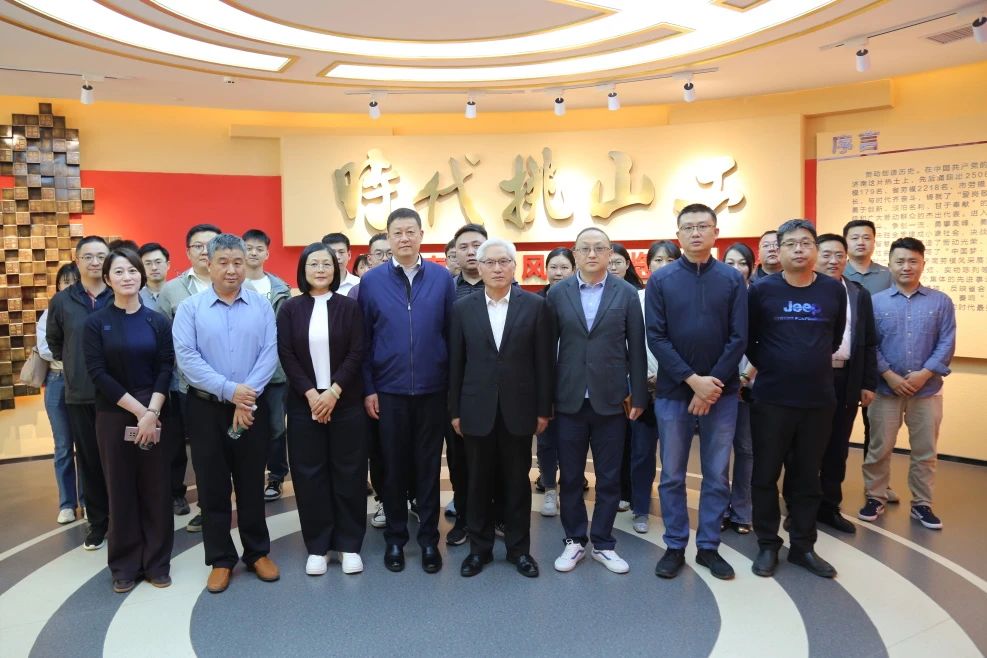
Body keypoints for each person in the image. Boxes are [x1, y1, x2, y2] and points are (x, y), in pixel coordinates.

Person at [172, 233, 280, 593]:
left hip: (251, 407)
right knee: (212, 486)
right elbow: (187, 359)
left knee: (251, 482)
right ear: (208, 263)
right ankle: (220, 559)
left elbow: (269, 352)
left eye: (238, 262)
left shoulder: (261, 306)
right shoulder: (190, 309)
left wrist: (244, 399)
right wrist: (230, 391)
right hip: (206, 408)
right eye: (224, 262)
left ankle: (257, 552)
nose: (232, 269)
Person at [647, 204, 747, 580]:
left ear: (715, 232)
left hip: (722, 394)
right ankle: (675, 545)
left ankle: (708, 547)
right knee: (672, 474)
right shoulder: (662, 280)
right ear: (678, 235)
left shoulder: (732, 279)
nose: (695, 233)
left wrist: (710, 386)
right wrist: (693, 381)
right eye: (687, 227)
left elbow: (739, 337)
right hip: (673, 392)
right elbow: (656, 337)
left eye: (702, 226)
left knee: (717, 474)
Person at [359, 208, 455, 574]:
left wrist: (450, 387)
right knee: (393, 468)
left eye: (410, 231)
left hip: (433, 390)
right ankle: (396, 540)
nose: (404, 238)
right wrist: (369, 388)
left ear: (421, 235)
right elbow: (364, 341)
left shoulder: (442, 278)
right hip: (389, 391)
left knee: (429, 468)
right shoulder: (372, 282)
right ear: (388, 237)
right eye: (397, 232)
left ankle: (429, 540)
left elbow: (451, 335)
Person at [747, 219, 846, 579]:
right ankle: (767, 543)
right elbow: (749, 340)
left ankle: (803, 546)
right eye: (790, 244)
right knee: (765, 474)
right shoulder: (761, 290)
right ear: (779, 250)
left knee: (807, 477)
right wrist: (777, 365)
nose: (799, 249)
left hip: (818, 400)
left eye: (806, 243)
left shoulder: (833, 290)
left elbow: (835, 338)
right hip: (772, 399)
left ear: (815, 249)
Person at [449, 238, 553, 578]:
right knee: (477, 483)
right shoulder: (462, 308)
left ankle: (519, 550)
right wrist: (454, 411)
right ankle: (478, 550)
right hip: (476, 409)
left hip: (519, 410)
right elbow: (456, 364)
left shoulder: (535, 306)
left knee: (517, 483)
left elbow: (543, 363)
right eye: (490, 262)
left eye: (504, 261)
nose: (497, 268)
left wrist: (543, 409)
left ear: (514, 266)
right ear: (478, 267)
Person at [547, 227, 647, 575]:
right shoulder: (557, 293)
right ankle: (574, 540)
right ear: (575, 254)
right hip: (568, 399)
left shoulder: (626, 293)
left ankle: (603, 542)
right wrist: (545, 399)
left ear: (609, 254)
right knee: (571, 475)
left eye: (599, 248)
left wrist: (638, 394)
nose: (592, 254)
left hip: (612, 400)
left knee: (609, 476)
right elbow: (546, 349)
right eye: (585, 248)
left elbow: (637, 347)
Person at [83, 248, 174, 593]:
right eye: (119, 272)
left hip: (156, 410)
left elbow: (166, 366)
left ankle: (157, 563)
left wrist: (153, 412)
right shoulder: (96, 323)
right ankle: (124, 565)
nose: (127, 277)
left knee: (156, 489)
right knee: (120, 490)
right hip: (114, 414)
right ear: (108, 279)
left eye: (132, 270)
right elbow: (98, 373)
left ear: (141, 275)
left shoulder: (157, 321)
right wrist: (140, 413)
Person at [277, 243, 368, 576]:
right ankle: (318, 546)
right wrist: (312, 395)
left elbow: (357, 351)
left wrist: (333, 392)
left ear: (336, 268)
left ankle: (349, 544)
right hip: (305, 405)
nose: (320, 269)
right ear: (303, 269)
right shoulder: (290, 309)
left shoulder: (350, 307)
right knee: (309, 474)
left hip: (345, 403)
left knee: (350, 472)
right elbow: (286, 354)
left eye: (326, 264)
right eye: (313, 264)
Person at [859, 237, 955, 530]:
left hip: (927, 390)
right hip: (885, 389)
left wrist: (924, 373)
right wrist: (888, 374)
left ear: (923, 264)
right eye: (900, 261)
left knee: (925, 451)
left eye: (913, 261)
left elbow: (946, 341)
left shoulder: (941, 301)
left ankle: (922, 504)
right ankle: (875, 497)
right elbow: (870, 344)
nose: (906, 267)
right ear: (889, 264)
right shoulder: (875, 302)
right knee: (879, 448)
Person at [46, 236, 113, 550]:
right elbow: (56, 343)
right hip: (81, 394)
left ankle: (124, 519)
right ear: (77, 260)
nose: (95, 262)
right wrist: (76, 367)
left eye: (101, 256)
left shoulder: (119, 293)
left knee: (120, 461)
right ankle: (98, 524)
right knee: (89, 461)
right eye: (88, 256)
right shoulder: (62, 301)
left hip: (119, 395)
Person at [809, 234, 877, 534]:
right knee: (806, 446)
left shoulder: (858, 294)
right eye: (826, 254)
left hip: (846, 378)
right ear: (815, 256)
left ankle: (829, 507)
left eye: (839, 255)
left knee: (838, 447)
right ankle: (801, 507)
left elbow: (869, 341)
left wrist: (867, 382)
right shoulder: (804, 289)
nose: (833, 261)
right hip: (810, 378)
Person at [158, 223, 222, 525]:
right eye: (198, 245)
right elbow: (161, 339)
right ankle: (207, 508)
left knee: (231, 449)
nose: (205, 250)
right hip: (188, 387)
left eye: (212, 244)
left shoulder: (239, 285)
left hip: (233, 386)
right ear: (188, 252)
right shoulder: (172, 290)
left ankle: (226, 504)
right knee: (201, 451)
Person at [629, 240, 680, 534]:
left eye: (670, 260)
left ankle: (673, 511)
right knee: (641, 452)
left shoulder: (686, 298)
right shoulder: (636, 299)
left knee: (673, 456)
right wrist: (642, 377)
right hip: (643, 388)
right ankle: (640, 508)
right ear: (647, 266)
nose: (663, 266)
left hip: (677, 387)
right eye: (658, 260)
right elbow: (626, 343)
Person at [443, 222, 490, 545]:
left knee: (497, 459)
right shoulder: (444, 291)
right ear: (454, 254)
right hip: (456, 388)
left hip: (497, 389)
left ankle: (495, 516)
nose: (471, 252)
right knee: (458, 459)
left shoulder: (506, 287)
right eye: (464, 247)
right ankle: (463, 518)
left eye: (477, 245)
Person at [843, 219, 895, 490]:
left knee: (876, 430)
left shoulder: (888, 274)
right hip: (847, 359)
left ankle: (876, 486)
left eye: (866, 237)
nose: (861, 242)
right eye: (855, 237)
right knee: (836, 427)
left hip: (878, 359)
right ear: (846, 242)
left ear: (874, 241)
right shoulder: (837, 271)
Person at [242, 229, 292, 503]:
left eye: (259, 248)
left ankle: (276, 476)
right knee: (245, 426)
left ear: (267, 254)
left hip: (275, 373)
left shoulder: (280, 289)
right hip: (242, 373)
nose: (253, 252)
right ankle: (247, 476)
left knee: (276, 427)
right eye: (248, 247)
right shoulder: (233, 285)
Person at [350, 232, 391, 531]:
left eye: (390, 253)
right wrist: (368, 388)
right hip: (374, 385)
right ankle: (384, 499)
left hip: (410, 385)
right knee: (378, 449)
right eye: (379, 253)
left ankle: (412, 497)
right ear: (369, 258)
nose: (385, 258)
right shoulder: (359, 291)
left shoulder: (416, 284)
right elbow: (358, 346)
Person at [37, 263, 82, 524]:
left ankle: (88, 501)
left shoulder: (87, 309)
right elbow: (45, 349)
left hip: (83, 382)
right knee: (63, 445)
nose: (69, 285)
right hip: (57, 380)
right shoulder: (49, 312)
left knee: (86, 445)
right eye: (64, 281)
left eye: (74, 280)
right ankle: (67, 503)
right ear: (57, 285)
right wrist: (73, 348)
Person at [535, 246, 576, 516]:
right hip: (543, 383)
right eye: (553, 267)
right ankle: (549, 487)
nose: (558, 273)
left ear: (573, 270)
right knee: (546, 439)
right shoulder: (535, 302)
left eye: (564, 267)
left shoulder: (578, 300)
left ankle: (572, 485)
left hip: (574, 382)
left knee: (573, 439)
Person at [720, 242, 757, 535]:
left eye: (742, 263)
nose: (736, 268)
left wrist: (745, 377)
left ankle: (742, 509)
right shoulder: (716, 297)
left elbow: (764, 343)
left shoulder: (758, 298)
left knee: (745, 449)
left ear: (751, 267)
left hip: (750, 385)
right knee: (718, 452)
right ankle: (719, 508)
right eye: (730, 263)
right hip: (720, 385)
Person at [137, 243, 170, 313]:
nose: (154, 268)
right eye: (148, 263)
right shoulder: (135, 297)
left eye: (158, 262)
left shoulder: (178, 293)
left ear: (168, 265)